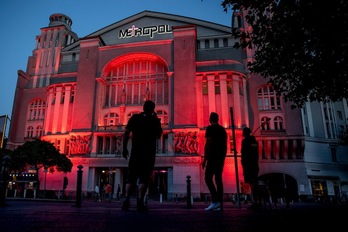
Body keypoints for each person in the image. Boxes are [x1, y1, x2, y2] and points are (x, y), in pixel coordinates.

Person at [121, 100, 163, 211]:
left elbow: (126, 133)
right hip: (148, 153)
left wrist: (124, 148)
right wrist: (155, 118)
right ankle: (140, 201)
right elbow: (159, 135)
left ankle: (127, 200)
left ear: (143, 107)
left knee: (131, 177)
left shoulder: (135, 118)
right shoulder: (154, 120)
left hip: (135, 152)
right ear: (153, 109)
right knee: (144, 178)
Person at [202, 112, 227, 211]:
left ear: (210, 119)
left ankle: (215, 201)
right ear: (218, 119)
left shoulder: (210, 128)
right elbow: (225, 145)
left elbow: (208, 143)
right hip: (221, 157)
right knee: (218, 179)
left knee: (208, 178)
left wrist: (205, 158)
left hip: (212, 156)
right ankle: (219, 203)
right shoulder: (222, 130)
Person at [241, 127, 260, 209]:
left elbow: (244, 152)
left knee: (252, 183)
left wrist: (243, 162)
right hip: (254, 164)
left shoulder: (245, 141)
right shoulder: (254, 142)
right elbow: (256, 152)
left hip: (248, 164)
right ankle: (256, 201)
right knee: (253, 182)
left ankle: (255, 201)